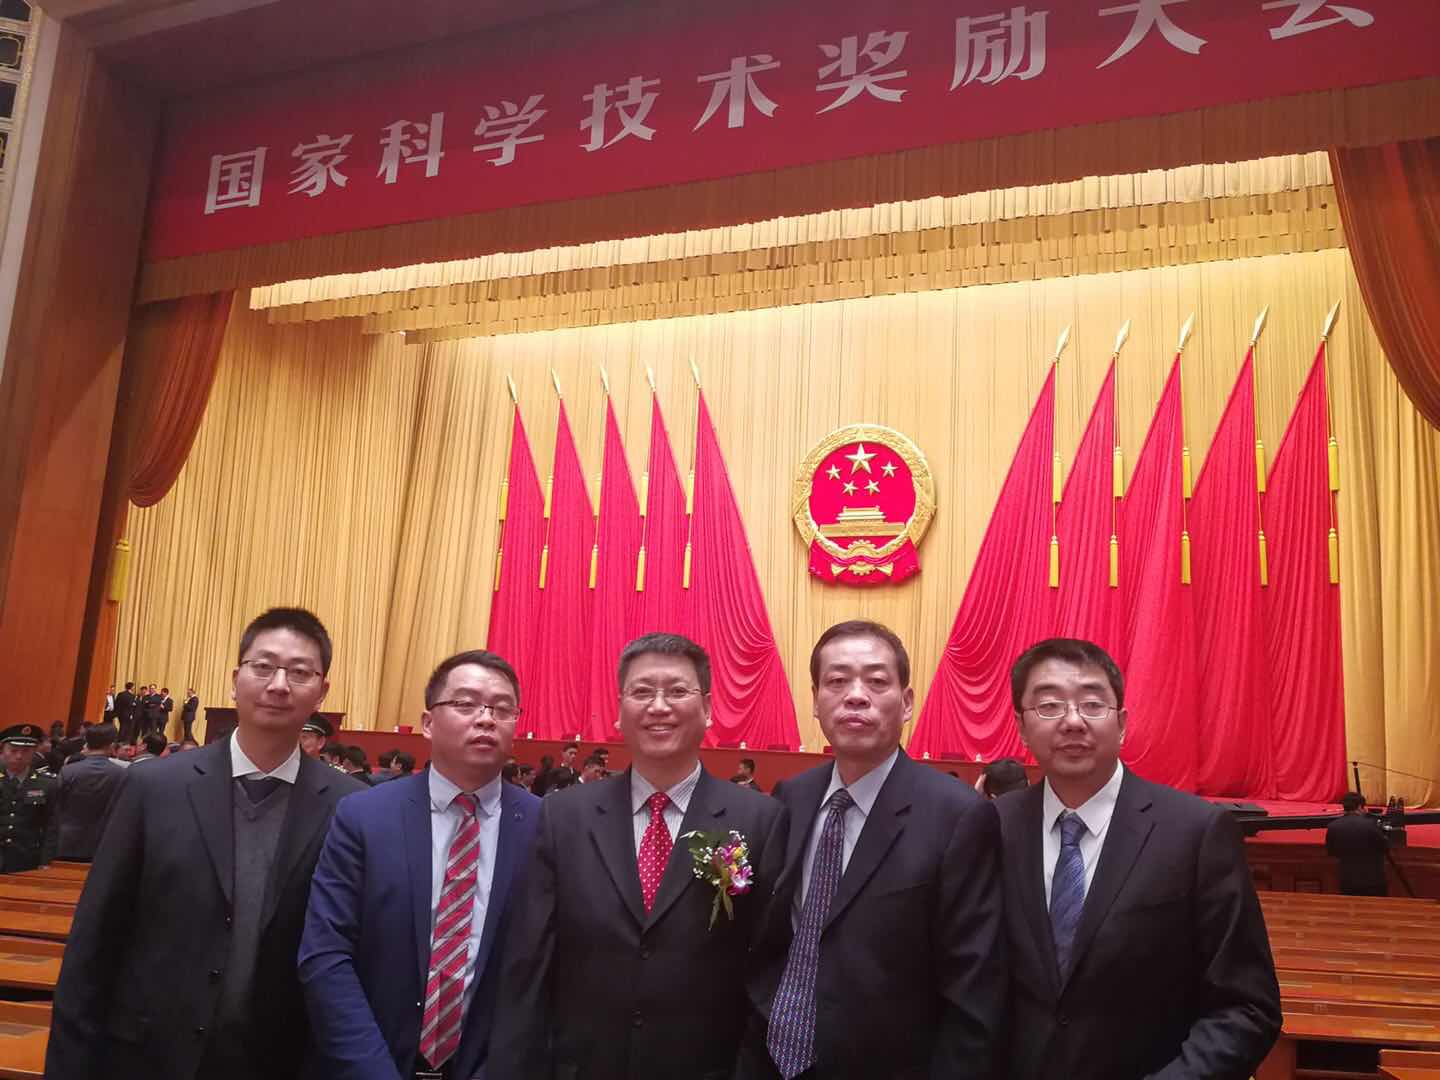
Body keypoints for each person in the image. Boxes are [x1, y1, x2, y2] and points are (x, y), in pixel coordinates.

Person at [46, 606, 367, 1080]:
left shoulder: (350, 806)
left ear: (322, 692)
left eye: (300, 672)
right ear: (235, 680)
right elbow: (95, 940)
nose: (279, 684)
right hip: (147, 1057)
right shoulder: (154, 787)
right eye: (264, 666)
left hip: (277, 1062)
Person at [492, 633, 788, 1080]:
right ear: (619, 709)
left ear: (708, 708)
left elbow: (770, 969)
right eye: (642, 692)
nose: (659, 706)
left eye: (677, 691)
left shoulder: (760, 820)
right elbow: (529, 961)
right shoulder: (564, 815)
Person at [994, 637, 1281, 1080]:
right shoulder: (991, 827)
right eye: (1049, 706)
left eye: (1092, 704)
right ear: (1021, 727)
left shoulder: (1195, 832)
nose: (1073, 721)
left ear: (1123, 723)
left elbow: (1247, 1006)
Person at [738, 620, 1005, 1080]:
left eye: (877, 681)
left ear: (907, 702)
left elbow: (975, 986)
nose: (856, 696)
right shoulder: (791, 797)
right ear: (815, 701)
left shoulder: (958, 815)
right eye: (837, 681)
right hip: (770, 1053)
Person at [301, 649, 542, 1080]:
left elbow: (549, 973)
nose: (486, 718)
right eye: (466, 703)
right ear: (428, 723)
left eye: (502, 708)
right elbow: (326, 954)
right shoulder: (364, 817)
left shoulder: (546, 827)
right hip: (371, 1064)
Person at [55, 724, 128, 862]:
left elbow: (57, 805)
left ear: (87, 743)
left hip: (66, 839)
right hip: (102, 841)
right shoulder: (122, 774)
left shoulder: (68, 770)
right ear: (112, 745)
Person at [0, 723, 59, 873]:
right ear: (3, 751)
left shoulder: (47, 784)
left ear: (34, 752)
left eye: (26, 751)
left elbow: (51, 826)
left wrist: (45, 861)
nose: (19, 756)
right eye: (13, 750)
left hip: (25, 858)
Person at [1326, 792, 1389, 897]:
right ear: (1360, 807)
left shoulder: (1333, 826)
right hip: (1373, 880)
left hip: (1347, 880)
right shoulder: (1370, 824)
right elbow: (1384, 847)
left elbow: (1332, 852)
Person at [115, 681, 140, 746]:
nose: (134, 688)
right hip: (128, 714)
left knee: (123, 727)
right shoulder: (131, 696)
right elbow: (132, 705)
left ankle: (119, 741)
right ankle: (122, 742)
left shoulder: (120, 694)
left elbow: (117, 704)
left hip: (121, 714)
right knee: (126, 729)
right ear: (131, 687)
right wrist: (133, 704)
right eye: (133, 686)